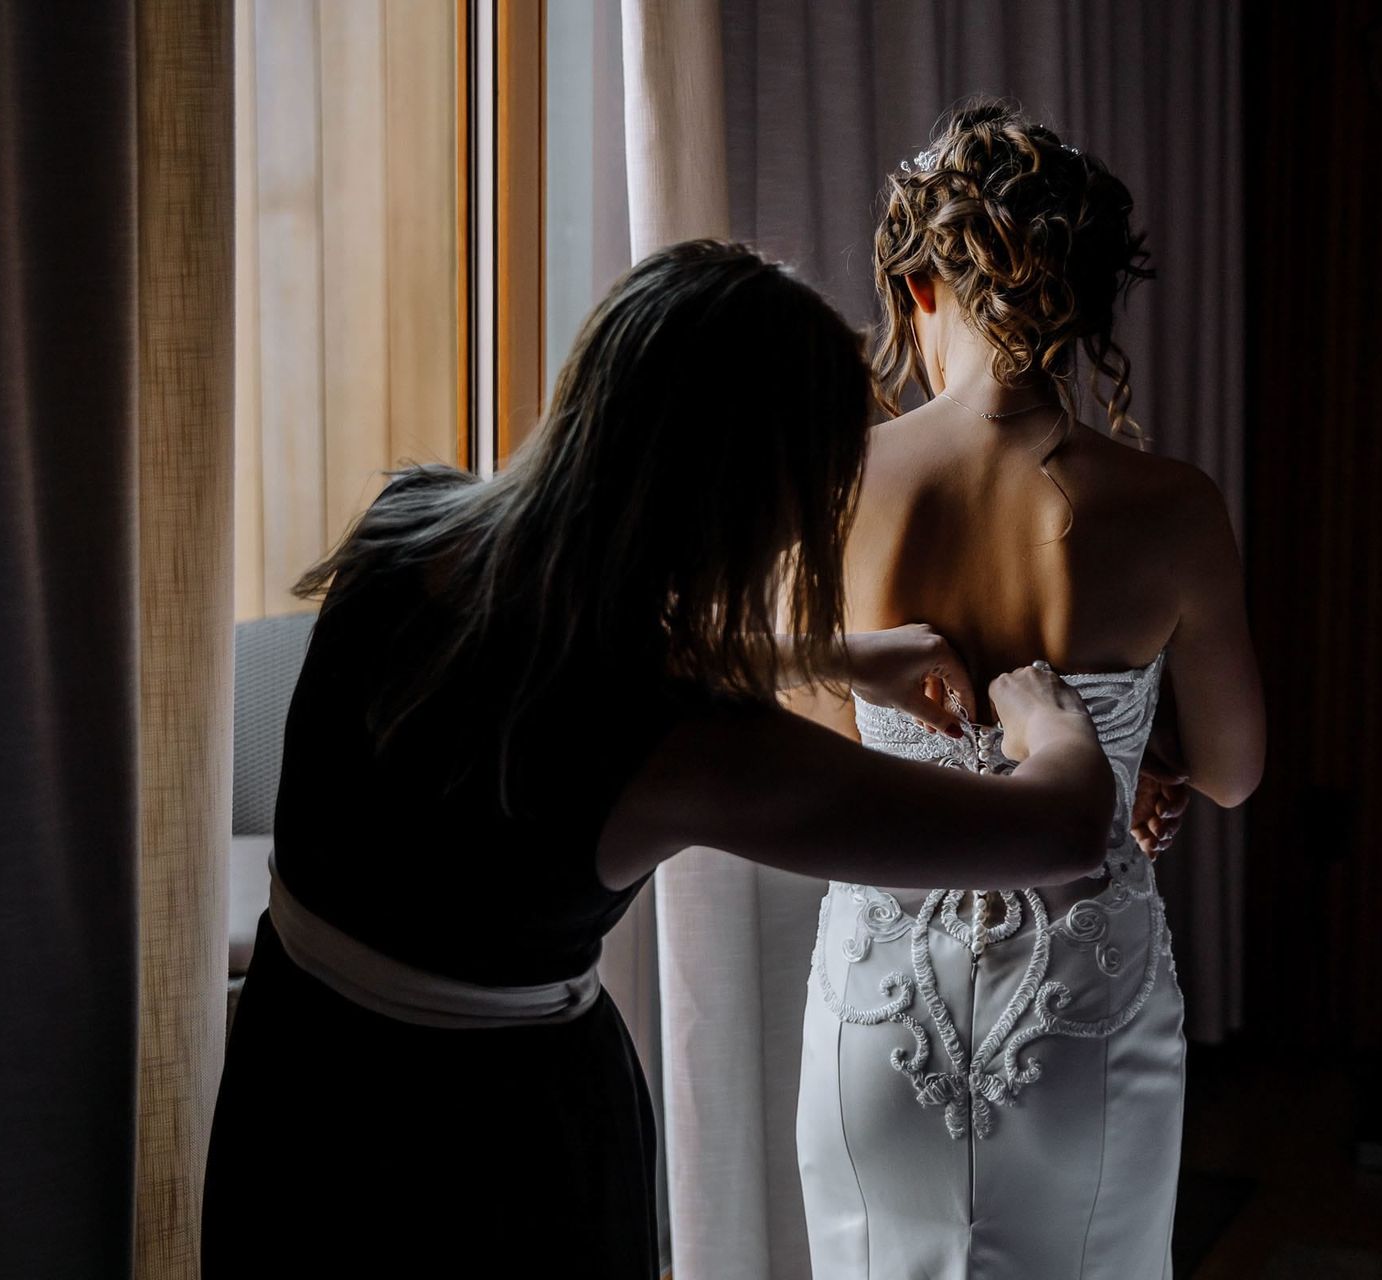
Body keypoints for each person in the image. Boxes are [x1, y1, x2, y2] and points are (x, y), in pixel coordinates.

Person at [201, 240, 1122, 1277]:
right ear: (742, 499)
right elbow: (1063, 829)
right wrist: (1050, 719)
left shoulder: (406, 526)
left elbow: (565, 652)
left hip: (296, 1081)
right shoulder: (691, 751)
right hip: (488, 1150)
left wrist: (832, 653)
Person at [795, 103, 1266, 1279]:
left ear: (920, 289)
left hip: (880, 1012)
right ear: (1092, 307)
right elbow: (1234, 767)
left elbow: (816, 732)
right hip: (1080, 1011)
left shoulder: (843, 479)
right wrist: (1139, 752)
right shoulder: (1173, 505)